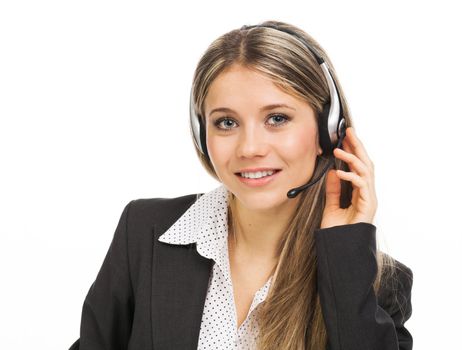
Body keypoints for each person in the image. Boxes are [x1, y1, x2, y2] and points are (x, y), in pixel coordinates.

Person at [70, 20, 413, 350]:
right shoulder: (145, 233)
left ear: (328, 130)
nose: (250, 148)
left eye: (277, 119)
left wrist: (344, 251)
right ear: (204, 135)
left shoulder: (376, 282)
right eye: (226, 122)